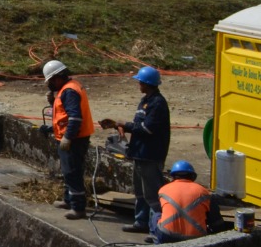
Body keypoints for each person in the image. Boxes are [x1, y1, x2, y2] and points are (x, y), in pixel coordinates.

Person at [100, 65, 170, 235]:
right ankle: (141, 222)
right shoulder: (145, 101)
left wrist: (125, 125)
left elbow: (147, 128)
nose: (138, 85)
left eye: (140, 82)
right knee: (140, 192)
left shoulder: (157, 103)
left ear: (147, 83)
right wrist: (121, 126)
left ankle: (157, 229)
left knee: (152, 194)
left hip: (150, 155)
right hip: (139, 153)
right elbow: (139, 125)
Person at [44, 59, 95, 219]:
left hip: (74, 138)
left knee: (73, 172)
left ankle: (78, 208)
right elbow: (64, 114)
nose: (50, 85)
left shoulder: (69, 91)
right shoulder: (69, 88)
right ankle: (68, 199)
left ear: (58, 77)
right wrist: (53, 102)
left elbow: (74, 118)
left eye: (51, 81)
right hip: (72, 136)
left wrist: (67, 137)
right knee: (68, 171)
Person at [149, 160, 225, 243]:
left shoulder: (163, 190)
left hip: (167, 236)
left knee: (155, 213)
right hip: (197, 238)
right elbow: (216, 221)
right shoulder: (203, 191)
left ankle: (154, 238)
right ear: (193, 176)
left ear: (173, 177)